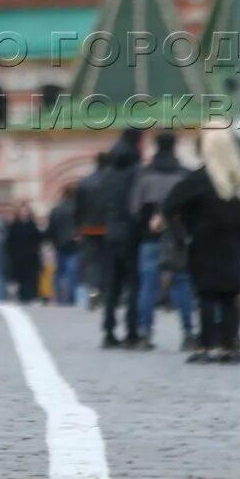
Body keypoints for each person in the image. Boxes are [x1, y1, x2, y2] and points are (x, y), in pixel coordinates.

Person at [165, 123, 240, 365]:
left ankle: (207, 345)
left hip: (203, 244)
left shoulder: (198, 180)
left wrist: (182, 232)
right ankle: (230, 345)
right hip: (232, 246)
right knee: (228, 296)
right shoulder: (239, 180)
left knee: (206, 296)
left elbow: (170, 205)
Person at [131, 131, 193, 349]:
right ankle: (188, 333)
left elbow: (135, 209)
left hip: (150, 238)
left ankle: (145, 332)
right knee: (182, 284)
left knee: (147, 286)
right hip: (177, 238)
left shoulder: (144, 175)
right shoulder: (185, 175)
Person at [98, 129, 144, 348]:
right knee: (133, 284)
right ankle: (131, 332)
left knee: (112, 284)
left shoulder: (108, 171)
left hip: (110, 231)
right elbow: (138, 204)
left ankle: (108, 331)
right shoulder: (136, 171)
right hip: (131, 232)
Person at [73, 153, 113, 312]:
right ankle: (105, 291)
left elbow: (78, 208)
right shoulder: (113, 181)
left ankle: (93, 289)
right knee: (108, 261)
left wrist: (77, 227)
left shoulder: (85, 182)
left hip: (89, 228)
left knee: (92, 261)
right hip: (109, 227)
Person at [45, 184, 79, 307]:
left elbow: (51, 229)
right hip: (74, 244)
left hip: (59, 244)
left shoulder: (56, 209)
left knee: (59, 273)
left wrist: (51, 240)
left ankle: (59, 299)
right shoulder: (77, 209)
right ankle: (71, 298)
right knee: (72, 272)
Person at [5, 203, 45, 304]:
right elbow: (9, 242)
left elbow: (40, 239)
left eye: (26, 210)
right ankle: (21, 298)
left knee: (32, 279)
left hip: (31, 257)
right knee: (20, 280)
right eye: (22, 211)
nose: (24, 213)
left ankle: (32, 297)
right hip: (18, 258)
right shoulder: (14, 225)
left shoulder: (32, 225)